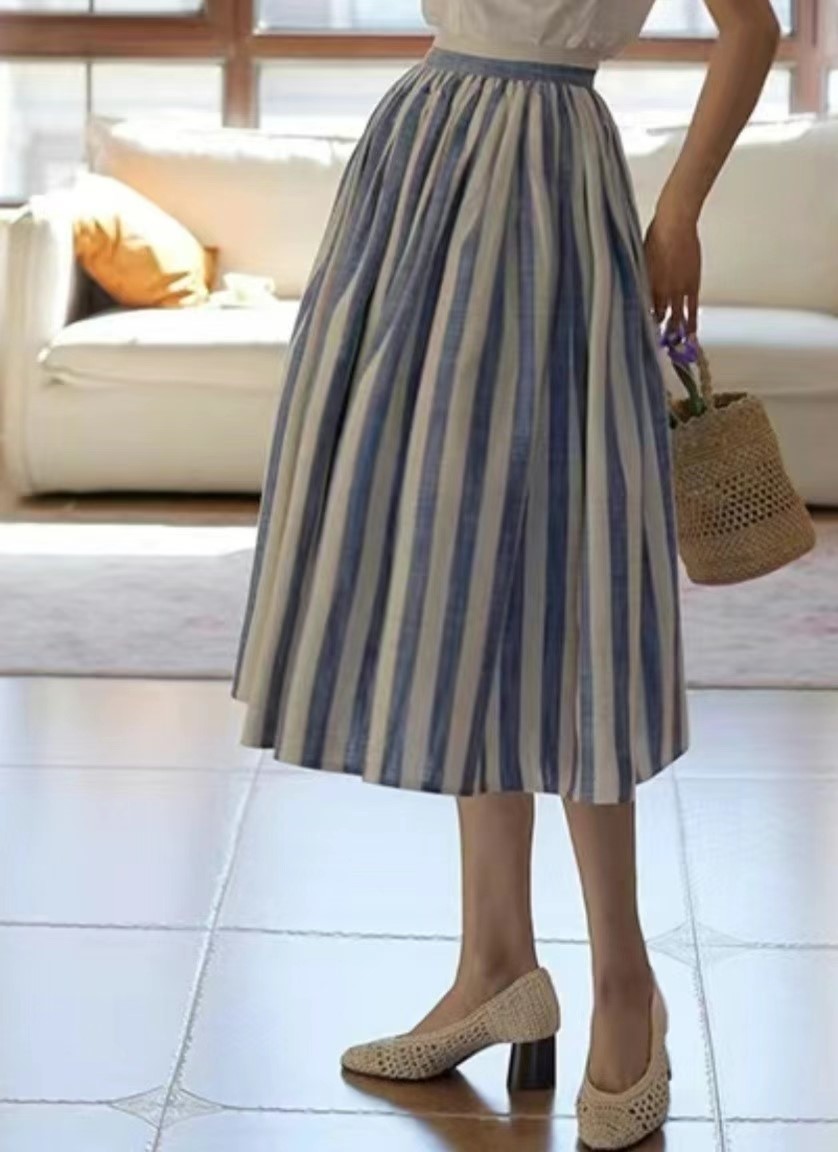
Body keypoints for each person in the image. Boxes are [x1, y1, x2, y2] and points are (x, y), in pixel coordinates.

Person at [232, 1, 780, 1147]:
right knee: (464, 564)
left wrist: (679, 210)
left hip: (547, 179)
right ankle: (494, 962)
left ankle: (625, 985)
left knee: (573, 581)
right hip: (418, 163)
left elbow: (751, 27)